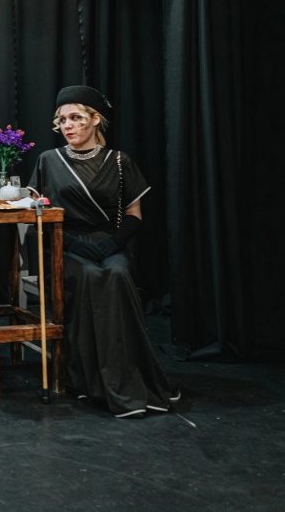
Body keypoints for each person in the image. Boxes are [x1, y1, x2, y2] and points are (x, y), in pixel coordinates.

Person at [26, 85, 177, 418]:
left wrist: (112, 244)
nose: (67, 126)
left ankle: (132, 377)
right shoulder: (49, 161)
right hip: (66, 245)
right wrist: (72, 242)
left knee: (118, 272)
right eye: (62, 120)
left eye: (75, 118)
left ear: (95, 119)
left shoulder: (120, 162)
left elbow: (135, 215)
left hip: (109, 242)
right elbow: (38, 215)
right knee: (90, 275)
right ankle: (92, 381)